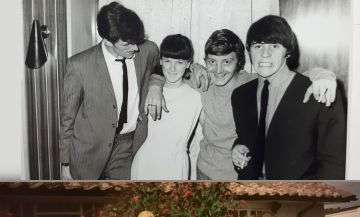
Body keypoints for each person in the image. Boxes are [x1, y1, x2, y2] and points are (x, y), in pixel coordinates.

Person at [146, 28, 338, 180]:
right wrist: (155, 86)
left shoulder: (251, 83)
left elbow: (290, 77)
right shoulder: (201, 79)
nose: (218, 70)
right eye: (212, 61)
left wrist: (324, 76)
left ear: (238, 62)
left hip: (239, 173)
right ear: (205, 61)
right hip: (204, 169)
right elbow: (167, 66)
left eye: (227, 61)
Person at [231, 15, 346, 179]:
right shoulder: (241, 95)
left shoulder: (319, 92)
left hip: (300, 198)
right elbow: (248, 138)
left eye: (274, 46)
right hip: (251, 193)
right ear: (249, 50)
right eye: (257, 46)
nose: (264, 54)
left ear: (288, 52)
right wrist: (237, 149)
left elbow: (334, 163)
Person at [60, 2, 162, 180]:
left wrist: (156, 85)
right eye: (127, 45)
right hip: (87, 151)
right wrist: (65, 164)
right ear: (107, 41)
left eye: (137, 41)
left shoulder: (148, 49)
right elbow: (67, 119)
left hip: (127, 147)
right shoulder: (78, 65)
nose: (135, 48)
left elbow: (164, 67)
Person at [131, 34, 202, 180]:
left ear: (188, 64)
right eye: (168, 61)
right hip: (145, 163)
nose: (173, 68)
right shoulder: (149, 91)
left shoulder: (196, 97)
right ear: (161, 61)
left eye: (180, 62)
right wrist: (155, 87)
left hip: (176, 164)